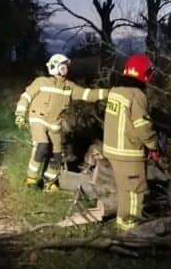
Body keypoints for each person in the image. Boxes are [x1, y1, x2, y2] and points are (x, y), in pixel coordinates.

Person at [14, 53, 108, 191]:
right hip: (37, 119)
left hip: (54, 123)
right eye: (63, 67)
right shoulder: (41, 82)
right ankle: (31, 178)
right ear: (55, 67)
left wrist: (110, 93)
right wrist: (20, 113)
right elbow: (26, 96)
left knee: (57, 155)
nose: (66, 70)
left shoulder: (69, 87)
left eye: (66, 67)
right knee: (42, 145)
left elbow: (89, 94)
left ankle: (49, 181)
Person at [102, 54, 160, 230]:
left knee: (124, 189)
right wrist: (153, 146)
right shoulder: (137, 95)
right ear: (144, 74)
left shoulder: (115, 91)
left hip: (112, 150)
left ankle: (122, 224)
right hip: (128, 153)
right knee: (136, 191)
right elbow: (143, 126)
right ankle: (132, 231)